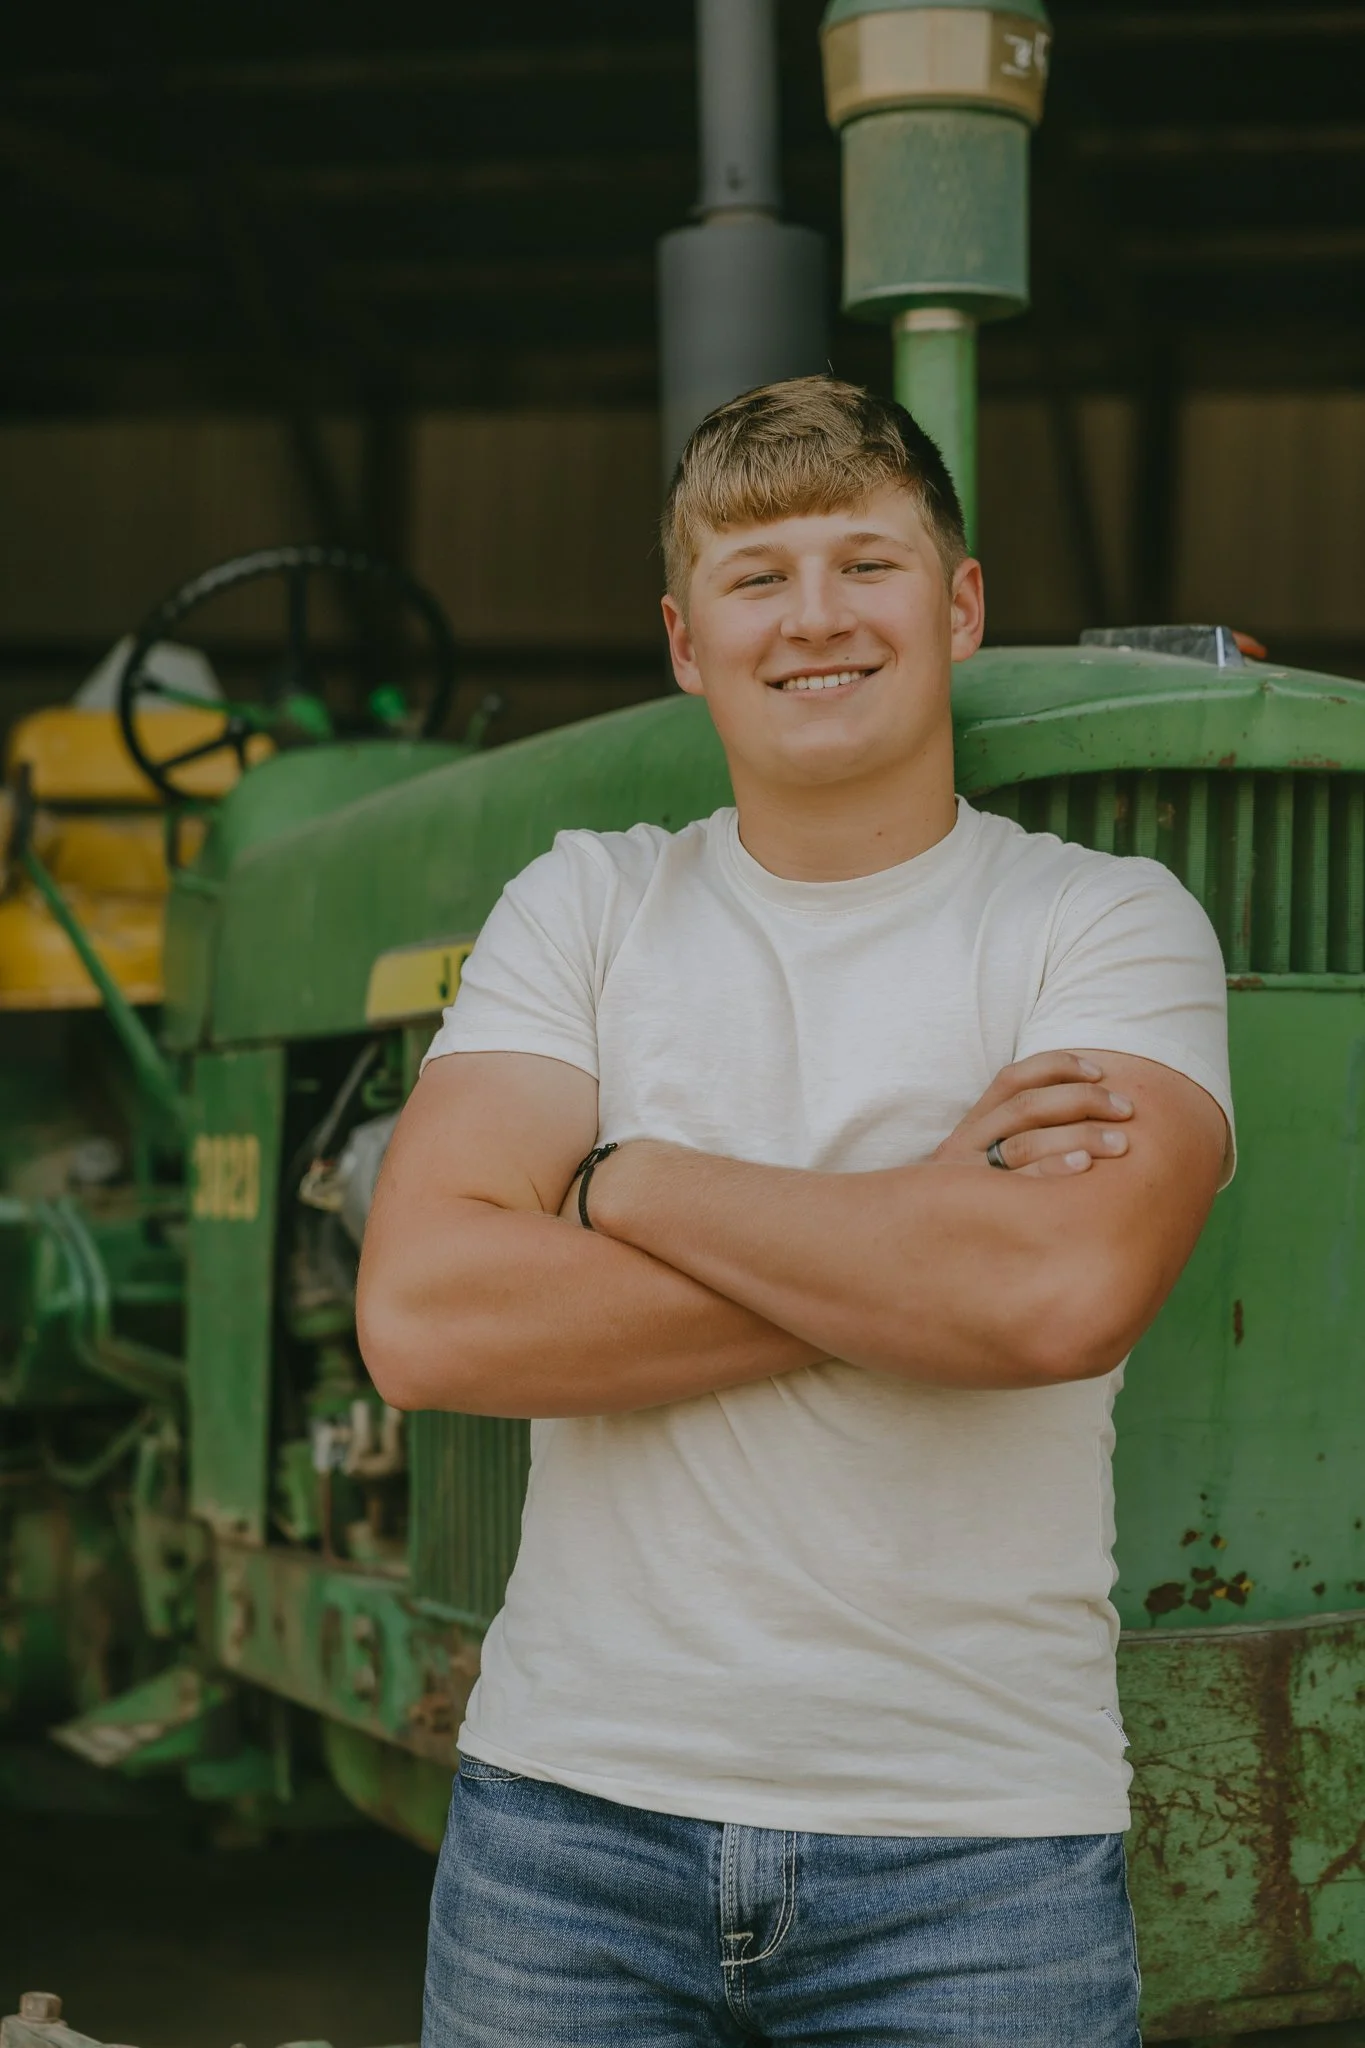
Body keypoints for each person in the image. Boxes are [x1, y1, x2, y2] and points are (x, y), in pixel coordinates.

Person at [358, 376, 1233, 2047]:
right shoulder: (588, 905)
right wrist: (912, 1226)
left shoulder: (1101, 924)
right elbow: (425, 1317)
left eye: (867, 564)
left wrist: (621, 1184)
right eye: (757, 579)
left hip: (977, 1860)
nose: (813, 618)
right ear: (688, 642)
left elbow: (1047, 1303)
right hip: (569, 1833)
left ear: (959, 604)